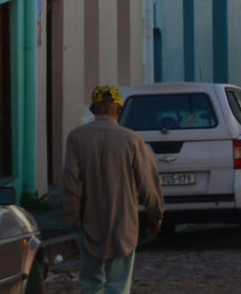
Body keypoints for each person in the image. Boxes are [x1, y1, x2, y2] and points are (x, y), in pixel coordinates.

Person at [62, 84, 164, 294]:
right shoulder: (132, 139)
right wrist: (156, 215)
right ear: (119, 110)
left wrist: (73, 217)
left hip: (88, 220)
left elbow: (71, 183)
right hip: (123, 222)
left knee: (91, 282)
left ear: (93, 109)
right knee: (118, 284)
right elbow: (148, 183)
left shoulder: (76, 137)